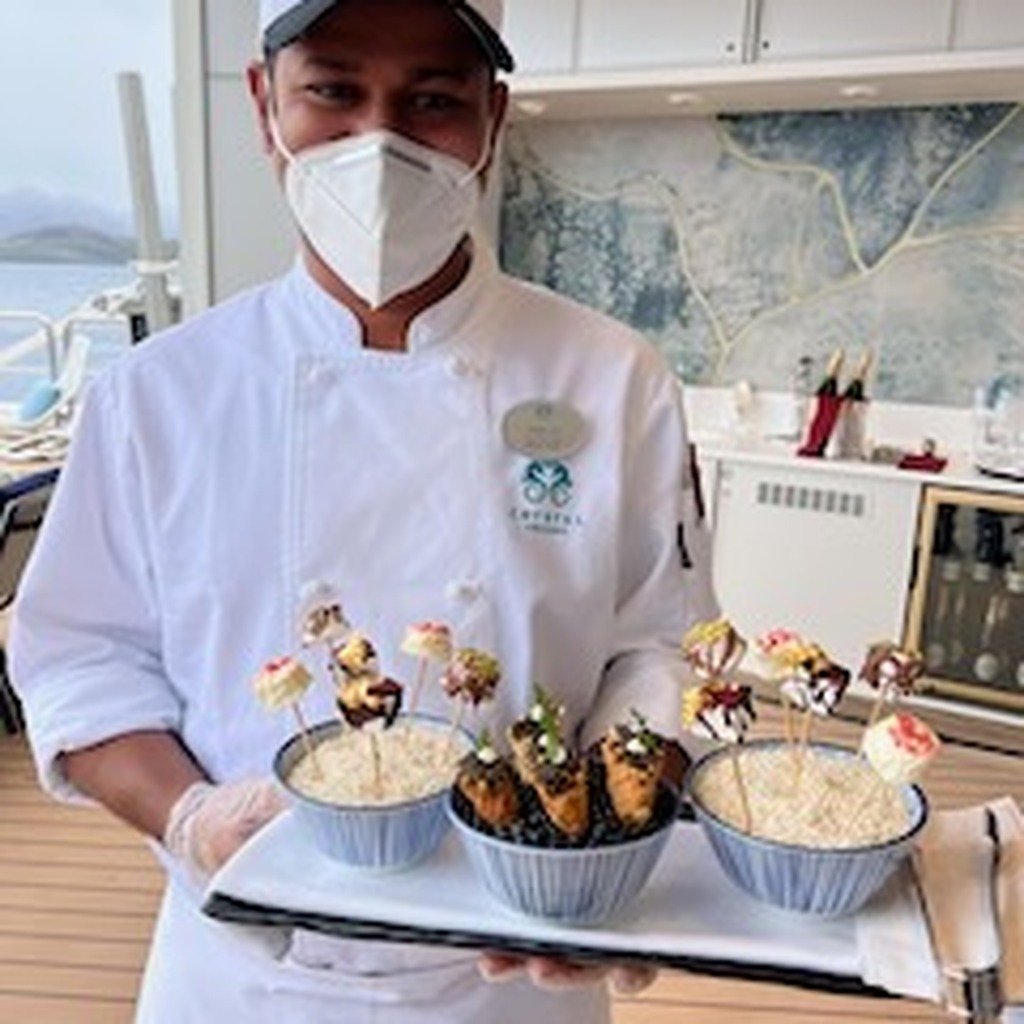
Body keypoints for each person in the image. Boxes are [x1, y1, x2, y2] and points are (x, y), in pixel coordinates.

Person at [10, 1, 716, 1020]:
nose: (379, 142)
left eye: (432, 100)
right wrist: (193, 817)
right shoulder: (158, 394)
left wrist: (604, 843)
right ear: (264, 106)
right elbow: (78, 659)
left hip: (514, 965)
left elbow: (658, 648)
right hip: (244, 963)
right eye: (333, 91)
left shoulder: (612, 379)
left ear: (492, 120)